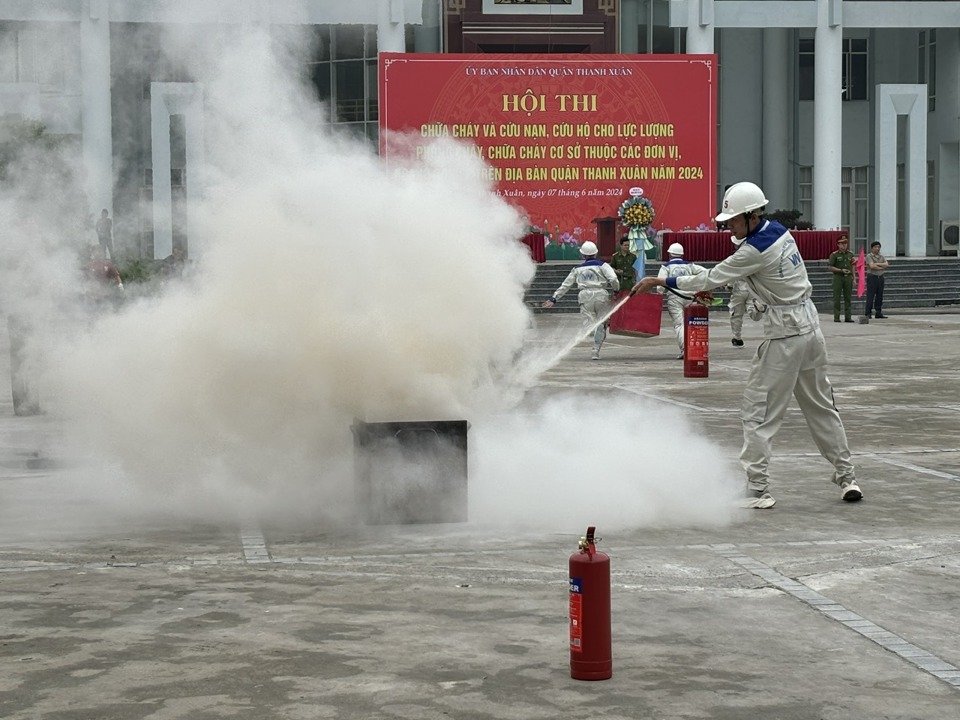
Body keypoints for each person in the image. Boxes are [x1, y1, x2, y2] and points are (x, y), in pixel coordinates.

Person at [631, 181, 863, 509]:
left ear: (752, 216)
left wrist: (661, 280)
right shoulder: (780, 232)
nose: (729, 225)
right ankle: (847, 477)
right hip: (811, 330)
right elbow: (758, 277)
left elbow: (714, 276)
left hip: (785, 336)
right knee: (822, 408)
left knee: (758, 410)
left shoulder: (754, 250)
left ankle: (757, 488)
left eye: (734, 219)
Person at [542, 240, 619, 360]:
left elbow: (565, 285)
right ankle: (596, 349)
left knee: (589, 323)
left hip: (585, 296)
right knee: (601, 323)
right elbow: (613, 278)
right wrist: (616, 290)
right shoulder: (603, 265)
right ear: (596, 253)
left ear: (583, 254)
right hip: (601, 294)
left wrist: (554, 298)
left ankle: (595, 332)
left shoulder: (577, 269)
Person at [657, 242, 706, 359]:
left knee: (679, 324)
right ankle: (694, 348)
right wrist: (698, 285)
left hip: (674, 297)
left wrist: (659, 294)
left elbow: (659, 283)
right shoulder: (689, 266)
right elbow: (705, 271)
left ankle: (685, 350)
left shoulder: (666, 266)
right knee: (691, 325)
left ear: (670, 254)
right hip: (690, 297)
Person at [827, 233, 855, 323]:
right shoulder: (834, 255)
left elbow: (853, 266)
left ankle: (848, 317)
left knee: (848, 298)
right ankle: (837, 317)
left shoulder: (850, 254)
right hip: (838, 277)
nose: (844, 245)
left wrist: (854, 278)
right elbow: (830, 267)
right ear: (838, 244)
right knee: (837, 298)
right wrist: (840, 270)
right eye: (842, 243)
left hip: (848, 278)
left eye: (845, 243)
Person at [864, 241, 890, 319]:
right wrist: (882, 267)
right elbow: (872, 266)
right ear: (872, 248)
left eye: (878, 247)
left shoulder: (881, 256)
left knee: (879, 296)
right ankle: (868, 313)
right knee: (870, 296)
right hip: (872, 277)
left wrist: (878, 264)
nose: (877, 249)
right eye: (875, 247)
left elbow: (886, 264)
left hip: (880, 277)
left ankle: (878, 312)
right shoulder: (869, 256)